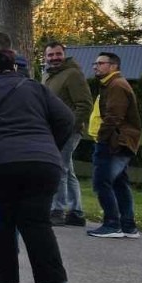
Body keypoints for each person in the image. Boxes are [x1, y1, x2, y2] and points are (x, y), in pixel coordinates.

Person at [0, 43, 75, 283]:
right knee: (37, 222)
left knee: (0, 220)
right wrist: (49, 146)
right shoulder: (36, 88)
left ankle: (3, 279)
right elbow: (66, 118)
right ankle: (56, 282)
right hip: (43, 163)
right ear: (14, 67)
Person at [87, 51, 142, 240]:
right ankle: (128, 225)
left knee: (102, 182)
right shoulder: (111, 84)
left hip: (114, 142)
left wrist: (102, 137)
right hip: (120, 141)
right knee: (119, 183)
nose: (95, 66)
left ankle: (112, 223)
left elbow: (114, 116)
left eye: (100, 63)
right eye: (95, 63)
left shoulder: (116, 85)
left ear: (113, 66)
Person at [42, 42, 94, 227]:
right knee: (68, 169)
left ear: (64, 55)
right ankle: (76, 212)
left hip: (68, 131)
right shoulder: (49, 75)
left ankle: (58, 210)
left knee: (60, 168)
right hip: (54, 130)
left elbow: (85, 104)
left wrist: (71, 126)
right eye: (50, 55)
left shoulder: (73, 74)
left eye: (58, 54)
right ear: (45, 57)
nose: (54, 58)